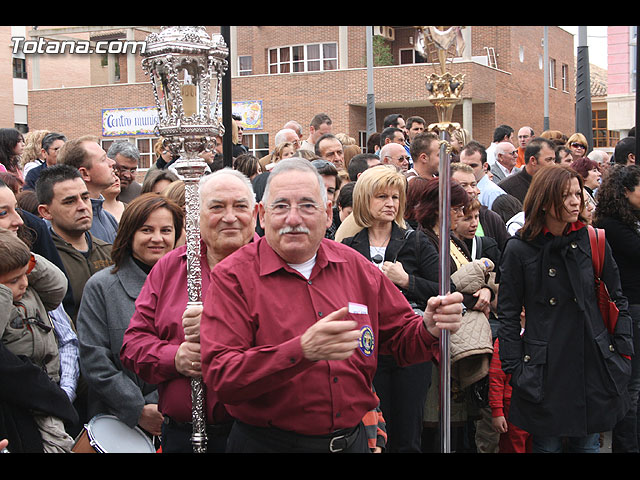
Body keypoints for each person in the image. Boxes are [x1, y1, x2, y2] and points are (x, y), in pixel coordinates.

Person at [199, 158, 463, 453]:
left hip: (352, 443)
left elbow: (401, 338)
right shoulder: (233, 278)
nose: (294, 218)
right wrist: (301, 351)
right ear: (261, 215)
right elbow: (222, 377)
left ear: (327, 215)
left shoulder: (356, 267)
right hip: (269, 444)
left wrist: (428, 326)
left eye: (308, 206)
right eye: (281, 206)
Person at [120, 168, 259, 453]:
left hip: (255, 435)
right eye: (217, 207)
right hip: (182, 435)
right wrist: (175, 357)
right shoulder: (170, 268)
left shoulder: (274, 268)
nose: (230, 217)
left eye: (240, 206)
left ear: (256, 213)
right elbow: (133, 345)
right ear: (196, 214)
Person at [497, 164, 633, 453]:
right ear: (545, 200)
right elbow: (507, 314)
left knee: (588, 445)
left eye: (578, 193)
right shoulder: (520, 248)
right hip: (544, 367)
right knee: (547, 445)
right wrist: (515, 368)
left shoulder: (593, 240)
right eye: (566, 195)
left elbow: (617, 299)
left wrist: (622, 351)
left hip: (592, 360)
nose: (576, 201)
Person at [340, 165, 441, 452]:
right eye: (382, 196)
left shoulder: (417, 241)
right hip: (364, 347)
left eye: (395, 197)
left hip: (409, 343)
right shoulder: (348, 247)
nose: (390, 203)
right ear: (364, 200)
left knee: (408, 431)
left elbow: (442, 289)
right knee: (371, 432)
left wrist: (407, 281)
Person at [77, 194, 184, 441]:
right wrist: (137, 408)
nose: (157, 238)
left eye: (166, 230)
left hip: (179, 417)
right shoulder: (101, 287)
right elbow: (95, 359)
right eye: (147, 229)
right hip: (118, 424)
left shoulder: (192, 286)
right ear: (129, 233)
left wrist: (164, 404)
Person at [405, 176, 495, 452]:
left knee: (461, 427)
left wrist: (487, 291)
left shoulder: (454, 241)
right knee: (437, 426)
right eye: (456, 209)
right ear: (439, 208)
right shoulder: (420, 241)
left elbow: (475, 279)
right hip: (437, 345)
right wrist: (471, 292)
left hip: (460, 338)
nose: (460, 215)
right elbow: (442, 290)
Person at [0, 229, 75, 452]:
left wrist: (27, 259)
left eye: (27, 274)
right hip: (22, 397)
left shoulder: (31, 291)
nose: (24, 283)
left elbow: (58, 287)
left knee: (59, 442)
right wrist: (3, 293)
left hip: (48, 382)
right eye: (14, 280)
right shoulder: (5, 301)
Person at [594, 164, 640, 452]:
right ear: (625, 191)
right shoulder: (612, 226)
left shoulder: (630, 221)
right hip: (630, 311)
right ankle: (626, 446)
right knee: (631, 388)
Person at [35, 164, 113, 325]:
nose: (82, 207)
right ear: (45, 212)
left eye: (85, 198)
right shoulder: (44, 261)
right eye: (69, 202)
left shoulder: (110, 252)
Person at [57, 135, 119, 243]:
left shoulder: (109, 219)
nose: (112, 163)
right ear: (84, 173)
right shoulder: (64, 225)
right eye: (103, 159)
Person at [498, 137, 556, 204]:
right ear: (533, 160)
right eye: (549, 160)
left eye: (554, 160)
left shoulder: (554, 184)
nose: (553, 165)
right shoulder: (507, 188)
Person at [459, 141, 507, 211]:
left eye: (473, 166)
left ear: (485, 166)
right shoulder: (457, 189)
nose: (467, 170)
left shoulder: (493, 193)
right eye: (463, 166)